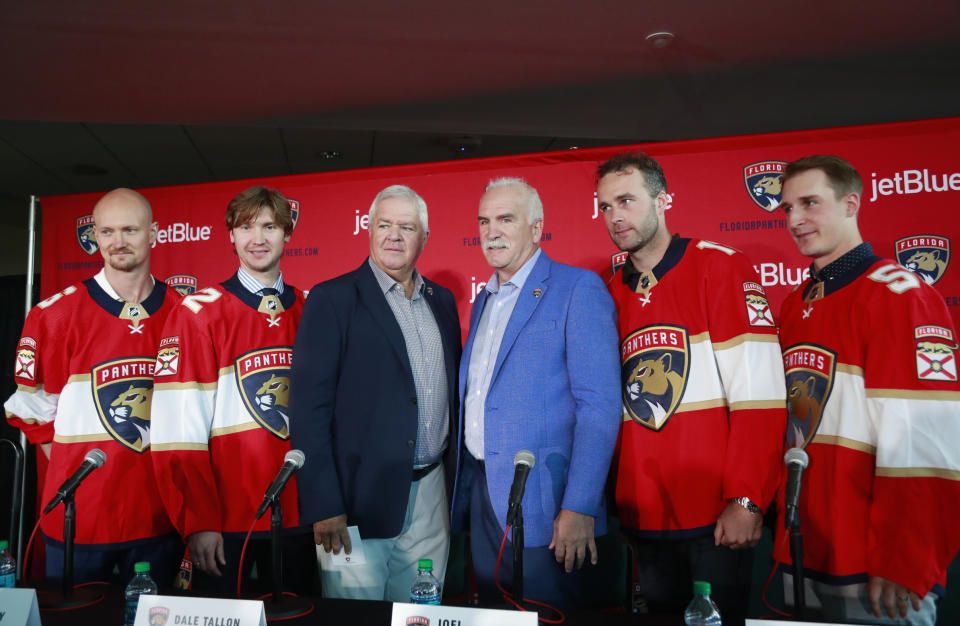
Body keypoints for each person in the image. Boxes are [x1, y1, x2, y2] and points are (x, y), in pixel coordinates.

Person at [595, 152, 787, 621]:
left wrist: (747, 498)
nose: (615, 215)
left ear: (662, 199)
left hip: (717, 518)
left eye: (626, 200)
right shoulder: (607, 290)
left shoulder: (721, 267)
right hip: (645, 514)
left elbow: (759, 396)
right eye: (604, 206)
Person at [775, 155, 959, 625]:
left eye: (810, 204)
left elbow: (929, 445)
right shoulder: (796, 304)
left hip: (877, 568)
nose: (795, 220)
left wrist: (906, 560)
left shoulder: (902, 296)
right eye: (787, 207)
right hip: (807, 551)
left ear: (851, 203)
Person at [449, 177, 620, 609]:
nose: (492, 231)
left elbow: (598, 408)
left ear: (536, 228)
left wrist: (580, 506)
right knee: (494, 614)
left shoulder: (577, 289)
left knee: (550, 614)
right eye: (484, 221)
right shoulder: (483, 300)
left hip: (550, 507)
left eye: (506, 219)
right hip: (485, 497)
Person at [289, 184, 461, 601]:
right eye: (384, 225)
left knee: (421, 613)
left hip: (431, 497)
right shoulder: (332, 299)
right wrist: (324, 504)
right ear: (368, 230)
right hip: (354, 505)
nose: (394, 236)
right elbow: (309, 411)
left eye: (407, 227)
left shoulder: (443, 302)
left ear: (425, 238)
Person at [5, 188, 182, 584]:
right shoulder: (55, 314)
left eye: (130, 230)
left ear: (153, 234)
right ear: (95, 237)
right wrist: (75, 467)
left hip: (160, 517)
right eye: (106, 232)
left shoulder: (182, 312)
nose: (117, 242)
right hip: (80, 521)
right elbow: (30, 410)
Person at [150, 185, 315, 596]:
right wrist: (199, 521)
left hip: (303, 515)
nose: (258, 239)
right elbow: (178, 433)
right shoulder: (196, 314)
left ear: (288, 234)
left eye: (270, 226)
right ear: (230, 236)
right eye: (246, 227)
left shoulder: (313, 308)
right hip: (227, 521)